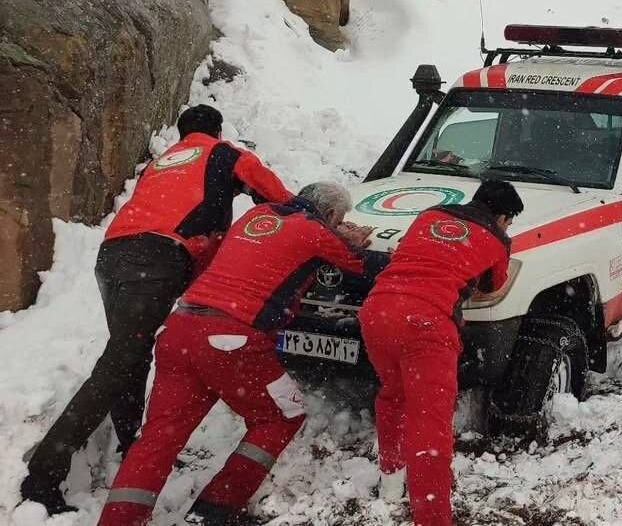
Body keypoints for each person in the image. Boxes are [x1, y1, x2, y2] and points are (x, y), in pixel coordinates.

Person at [22, 104, 293, 515]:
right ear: (216, 131)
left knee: (130, 355)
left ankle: (131, 448)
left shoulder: (161, 163)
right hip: (157, 257)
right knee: (119, 361)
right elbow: (279, 198)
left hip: (113, 257)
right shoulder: (223, 153)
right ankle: (43, 474)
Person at [97, 182, 374, 526]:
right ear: (330, 215)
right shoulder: (314, 230)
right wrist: (351, 241)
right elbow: (361, 267)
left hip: (180, 330)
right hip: (233, 339)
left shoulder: (257, 214)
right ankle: (216, 510)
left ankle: (119, 519)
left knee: (159, 436)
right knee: (282, 415)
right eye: (338, 219)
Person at [359, 180, 524, 526]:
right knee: (429, 423)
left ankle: (391, 484)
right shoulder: (496, 238)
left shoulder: (430, 214)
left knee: (393, 397)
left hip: (377, 311)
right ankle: (433, 517)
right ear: (504, 216)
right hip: (427, 324)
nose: (507, 227)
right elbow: (492, 286)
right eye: (509, 221)